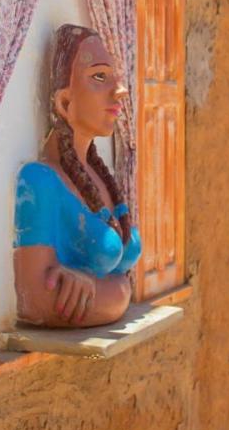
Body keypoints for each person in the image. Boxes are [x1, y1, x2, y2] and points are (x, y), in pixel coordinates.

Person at [13, 24, 142, 327]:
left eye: (114, 77)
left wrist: (100, 290)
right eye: (99, 76)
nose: (120, 90)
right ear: (65, 103)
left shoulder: (99, 177)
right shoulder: (40, 181)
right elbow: (38, 301)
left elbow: (121, 284)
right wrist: (120, 291)